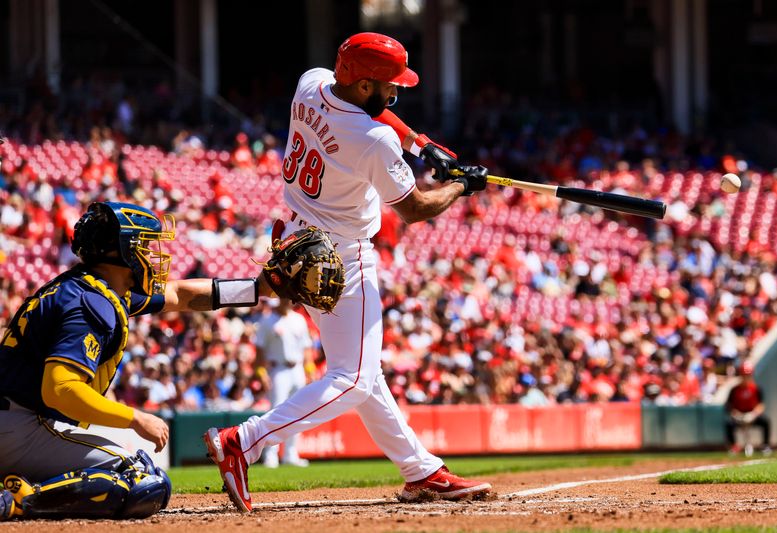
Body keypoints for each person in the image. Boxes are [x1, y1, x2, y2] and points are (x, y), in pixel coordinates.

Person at [203, 31, 491, 512]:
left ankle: (421, 472)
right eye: (389, 84)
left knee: (364, 370)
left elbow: (374, 115)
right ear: (363, 85)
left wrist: (421, 144)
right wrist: (462, 187)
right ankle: (245, 441)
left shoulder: (312, 82)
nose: (396, 92)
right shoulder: (373, 139)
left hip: (295, 239)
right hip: (340, 254)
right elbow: (416, 208)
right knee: (354, 376)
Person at [0, 201, 273, 521]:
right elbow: (59, 388)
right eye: (142, 244)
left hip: (15, 420)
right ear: (121, 250)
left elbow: (181, 295)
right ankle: (19, 501)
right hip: (18, 425)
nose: (150, 254)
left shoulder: (90, 288)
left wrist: (258, 289)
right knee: (144, 480)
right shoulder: (92, 302)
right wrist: (135, 419)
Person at [255, 298, 313, 468]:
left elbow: (306, 348)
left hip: (297, 368)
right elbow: (259, 349)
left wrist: (309, 371)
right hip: (278, 369)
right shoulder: (267, 321)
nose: (287, 301)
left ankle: (290, 453)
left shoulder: (299, 319)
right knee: (275, 411)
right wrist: (261, 372)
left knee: (297, 412)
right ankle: (271, 455)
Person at [724, 361, 772, 455]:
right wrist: (736, 414)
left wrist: (753, 414)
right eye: (744, 375)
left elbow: (761, 405)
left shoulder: (756, 388)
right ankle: (734, 446)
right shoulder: (734, 390)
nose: (746, 378)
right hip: (739, 416)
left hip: (752, 415)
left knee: (766, 422)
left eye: (748, 375)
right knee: (729, 424)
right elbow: (729, 406)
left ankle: (765, 446)